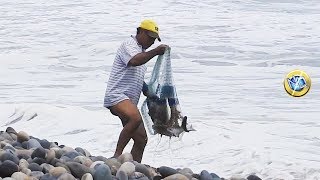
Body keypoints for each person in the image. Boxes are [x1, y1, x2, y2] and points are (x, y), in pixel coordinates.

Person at [104, 19, 168, 162]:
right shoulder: (129, 45)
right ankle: (117, 156)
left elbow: (136, 75)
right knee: (135, 118)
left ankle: (133, 167)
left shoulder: (141, 51)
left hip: (129, 101)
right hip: (117, 96)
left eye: (154, 40)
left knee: (141, 139)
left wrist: (147, 90)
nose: (152, 42)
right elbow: (134, 61)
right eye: (150, 37)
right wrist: (156, 52)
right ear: (140, 32)